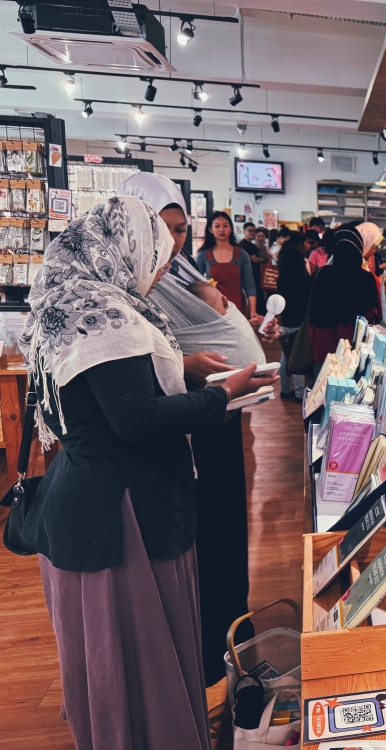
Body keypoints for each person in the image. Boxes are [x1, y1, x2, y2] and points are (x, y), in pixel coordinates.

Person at [19, 196, 279, 750]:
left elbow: (105, 391)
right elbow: (136, 419)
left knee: (118, 654)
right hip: (120, 517)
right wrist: (220, 395)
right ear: (123, 249)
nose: (161, 269)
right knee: (140, 650)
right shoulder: (106, 316)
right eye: (156, 254)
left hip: (89, 504)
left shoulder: (74, 300)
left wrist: (181, 367)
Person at [120, 174, 277, 689]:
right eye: (160, 228)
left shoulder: (179, 271)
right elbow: (132, 366)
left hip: (220, 419)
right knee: (198, 541)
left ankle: (230, 638)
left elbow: (221, 315)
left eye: (181, 229)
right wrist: (183, 360)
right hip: (180, 432)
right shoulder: (124, 284)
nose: (171, 241)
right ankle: (204, 653)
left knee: (227, 534)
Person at [308, 226, 381, 367]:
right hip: (355, 355)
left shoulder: (320, 274)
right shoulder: (369, 279)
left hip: (324, 353)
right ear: (359, 250)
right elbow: (378, 312)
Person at [195, 212, 257, 316]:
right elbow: (195, 284)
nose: (221, 229)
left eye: (225, 226)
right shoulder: (203, 255)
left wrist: (253, 311)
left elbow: (250, 285)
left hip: (238, 306)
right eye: (217, 226)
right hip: (213, 307)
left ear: (231, 229)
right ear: (210, 229)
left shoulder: (241, 254)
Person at [277, 234, 312, 400]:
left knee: (286, 356)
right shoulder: (304, 281)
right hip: (299, 323)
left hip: (285, 322)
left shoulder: (281, 280)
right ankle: (299, 393)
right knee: (297, 356)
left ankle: (284, 389)